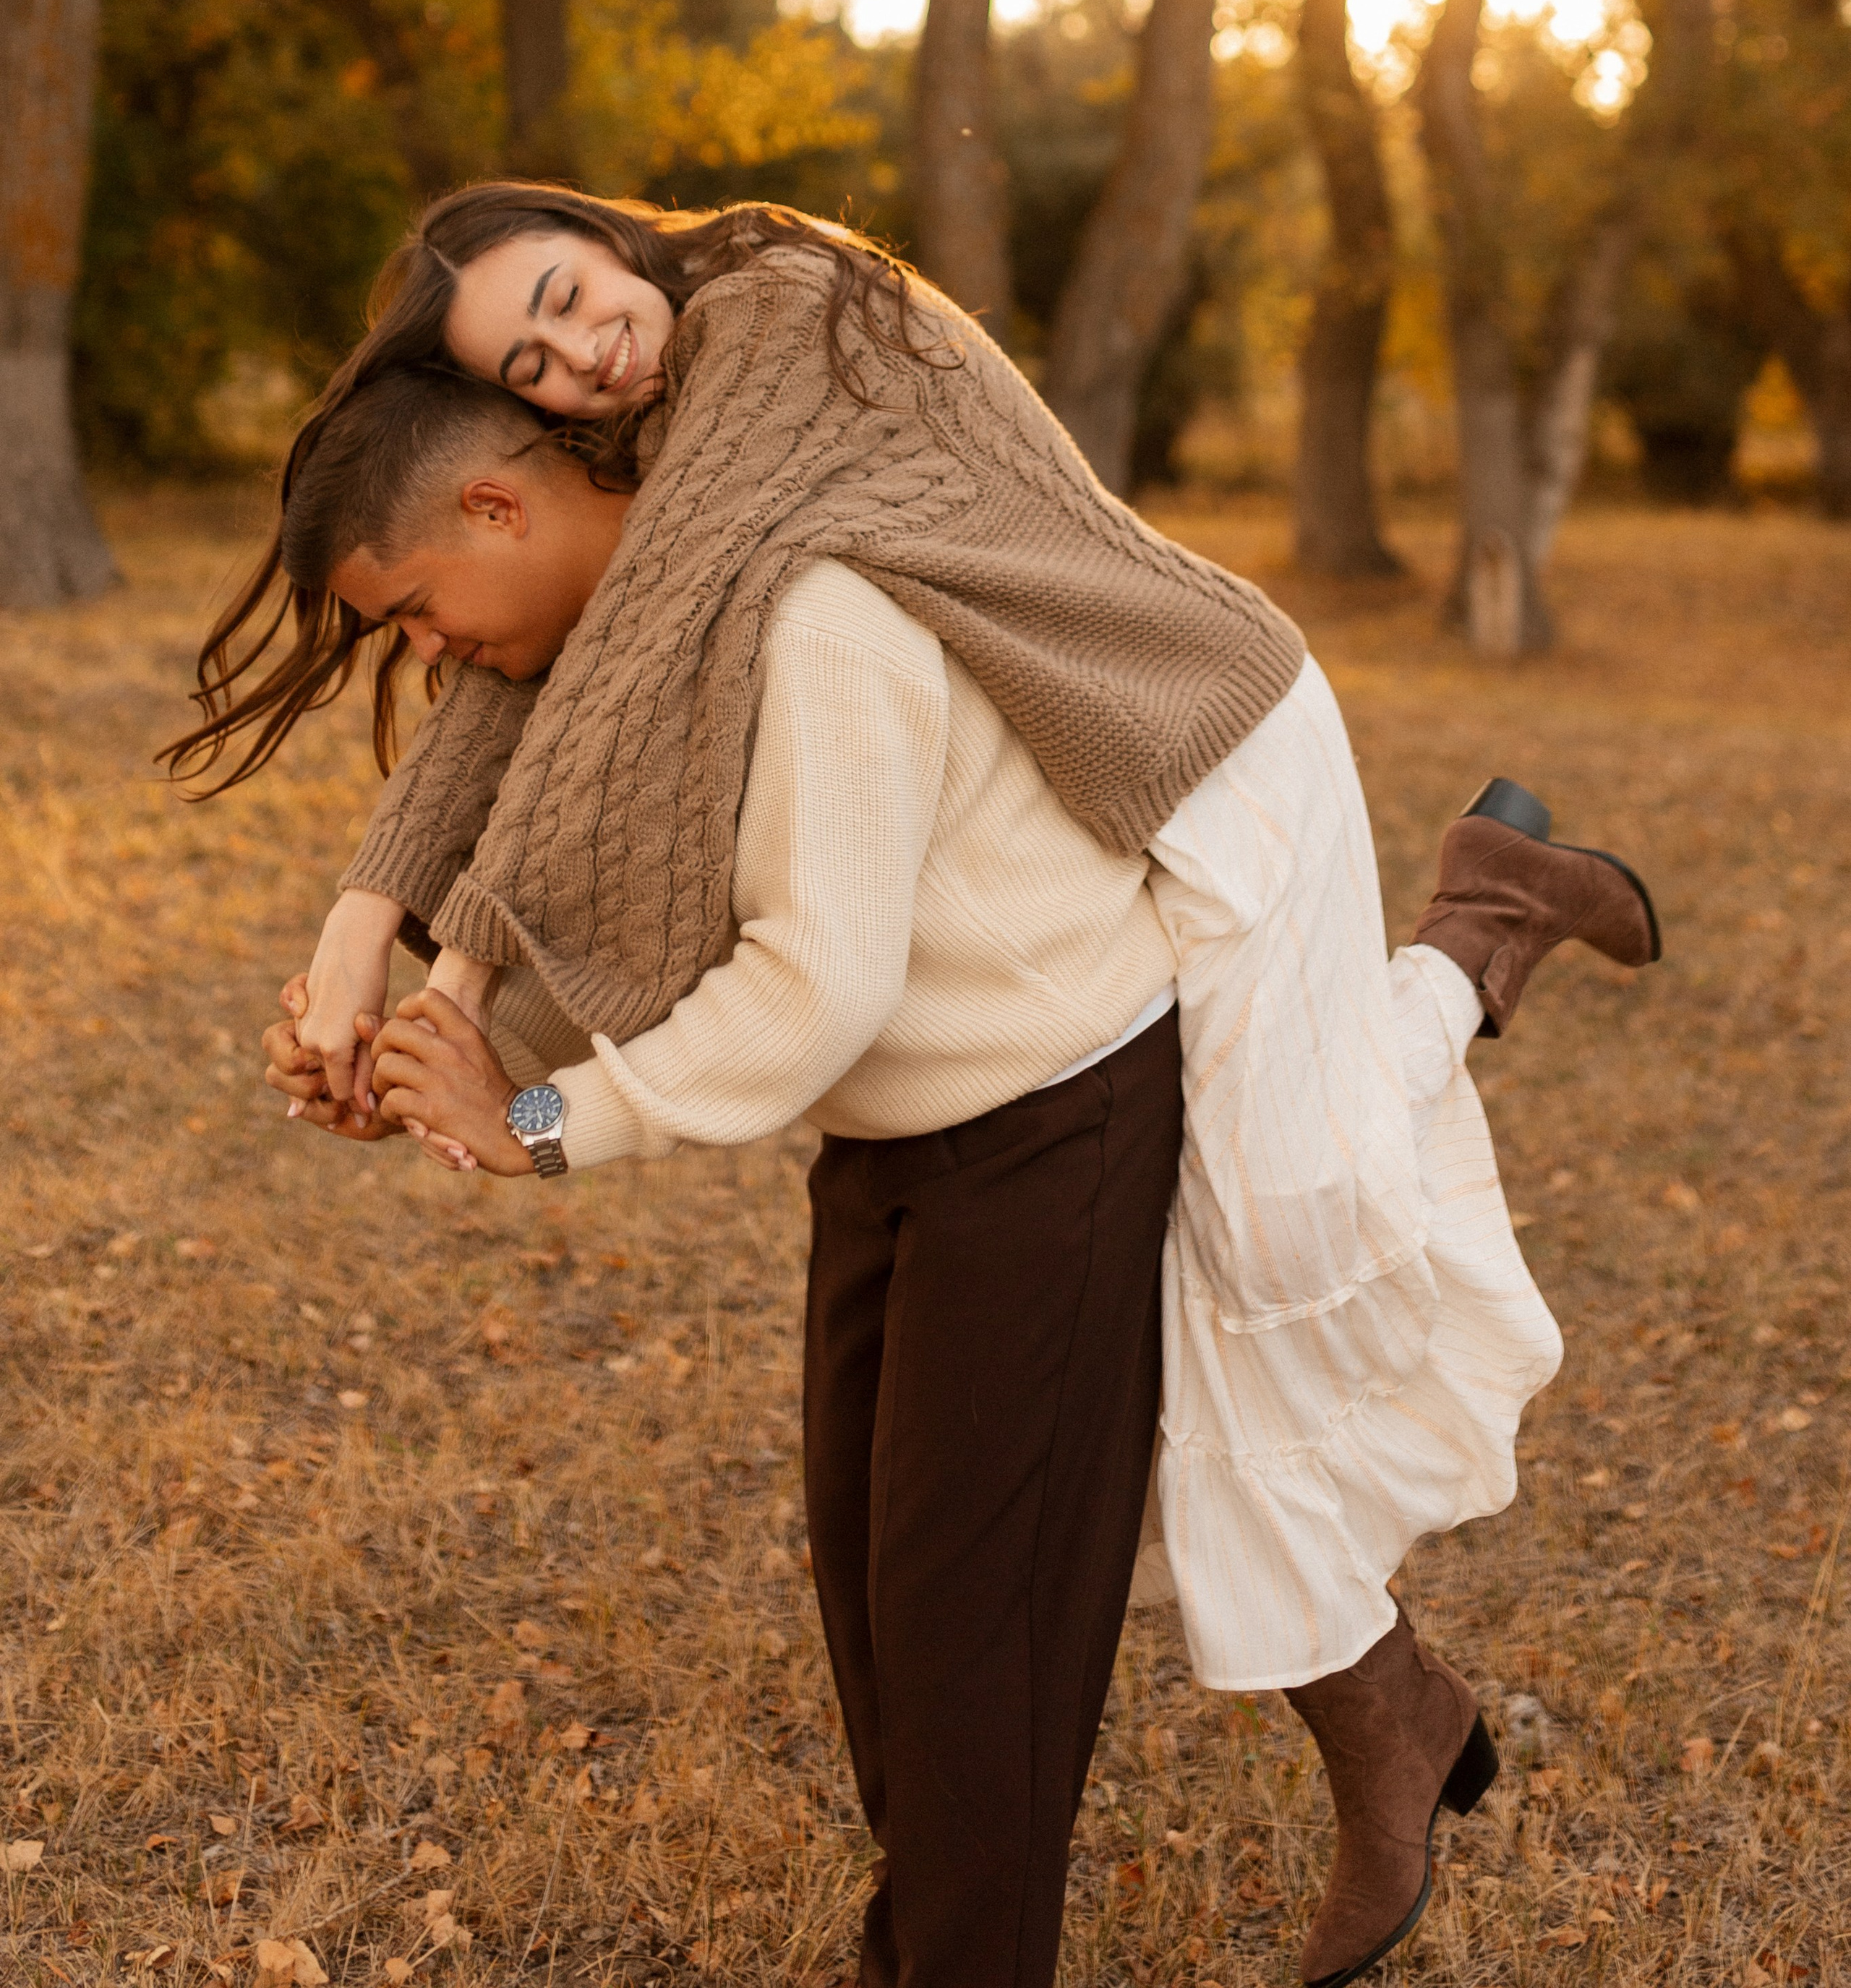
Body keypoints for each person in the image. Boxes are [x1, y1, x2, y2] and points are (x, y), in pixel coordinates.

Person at [168, 189, 1662, 1988]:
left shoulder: (782, 338)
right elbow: (553, 709)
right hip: (967, 1011)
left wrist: (518, 1076)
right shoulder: (649, 496)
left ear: (612, 247)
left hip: (1202, 733)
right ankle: (1391, 1720)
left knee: (1292, 1230)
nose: (578, 360)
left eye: (568, 304)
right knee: (1085, 1467)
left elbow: (759, 913)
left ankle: (1478, 928)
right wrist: (384, 959)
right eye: (531, 365)